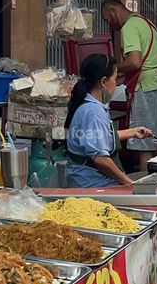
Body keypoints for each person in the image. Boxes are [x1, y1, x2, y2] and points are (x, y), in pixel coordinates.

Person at [64, 54, 151, 188]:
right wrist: (129, 183)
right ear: (104, 82)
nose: (116, 84)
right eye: (115, 79)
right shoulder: (93, 112)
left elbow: (98, 137)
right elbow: (101, 159)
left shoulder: (90, 106)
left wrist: (133, 132)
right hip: (93, 185)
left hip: (90, 181)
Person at [101, 0, 157, 171]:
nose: (110, 24)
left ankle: (146, 187)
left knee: (143, 142)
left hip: (147, 87)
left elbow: (135, 62)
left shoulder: (129, 27)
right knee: (155, 140)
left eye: (108, 19)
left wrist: (111, 68)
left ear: (114, 11)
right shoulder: (144, 21)